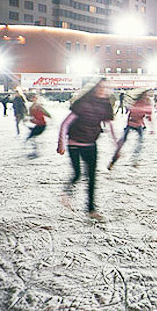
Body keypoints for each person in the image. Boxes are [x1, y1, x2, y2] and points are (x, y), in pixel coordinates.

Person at [58, 78, 115, 220]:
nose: (104, 90)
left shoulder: (106, 105)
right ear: (95, 88)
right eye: (101, 87)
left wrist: (117, 143)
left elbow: (110, 125)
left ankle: (91, 210)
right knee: (77, 174)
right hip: (74, 143)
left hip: (91, 144)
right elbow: (65, 124)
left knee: (92, 178)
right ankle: (67, 192)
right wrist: (61, 144)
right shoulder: (83, 103)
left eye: (106, 87)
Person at [109, 89, 153, 169]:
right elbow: (132, 111)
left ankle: (135, 160)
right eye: (146, 95)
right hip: (130, 124)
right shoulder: (137, 102)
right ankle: (114, 159)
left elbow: (149, 116)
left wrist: (151, 127)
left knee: (139, 143)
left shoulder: (147, 104)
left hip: (138, 125)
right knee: (122, 142)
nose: (147, 96)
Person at [25, 94, 51, 159]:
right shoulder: (31, 107)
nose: (34, 99)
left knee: (31, 137)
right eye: (33, 98)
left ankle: (36, 150)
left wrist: (49, 116)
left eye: (35, 98)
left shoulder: (38, 106)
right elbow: (30, 116)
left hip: (41, 125)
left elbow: (46, 113)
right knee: (30, 137)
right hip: (37, 124)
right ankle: (36, 149)